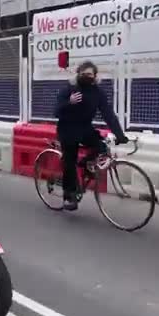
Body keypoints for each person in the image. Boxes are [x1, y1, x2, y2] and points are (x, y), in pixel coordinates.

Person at [55, 61, 129, 211]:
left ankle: (85, 164)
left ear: (95, 76)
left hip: (84, 128)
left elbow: (108, 114)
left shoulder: (98, 93)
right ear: (78, 75)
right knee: (70, 161)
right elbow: (56, 112)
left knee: (101, 147)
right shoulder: (70, 90)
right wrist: (69, 102)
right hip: (67, 129)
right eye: (83, 74)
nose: (86, 77)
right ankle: (68, 196)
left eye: (89, 74)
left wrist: (119, 134)